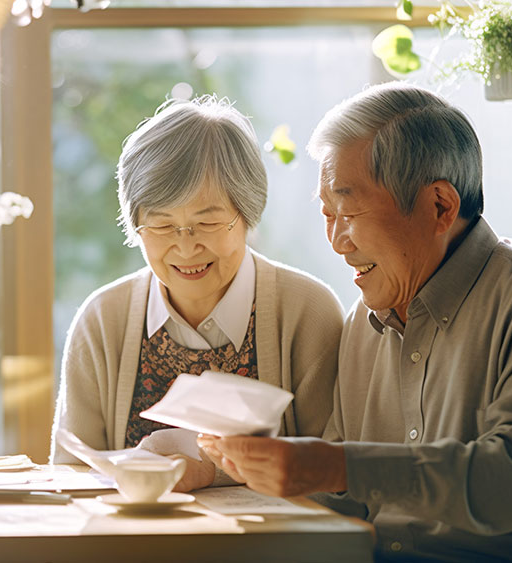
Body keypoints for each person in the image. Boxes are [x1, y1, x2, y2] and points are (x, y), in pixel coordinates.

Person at [199, 82, 512, 560]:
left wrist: (336, 467)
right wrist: (251, 466)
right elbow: (345, 498)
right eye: (327, 215)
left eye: (348, 212)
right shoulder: (365, 322)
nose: (336, 241)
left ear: (440, 206)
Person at [50, 95, 345, 492]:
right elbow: (71, 476)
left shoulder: (307, 312)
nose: (186, 248)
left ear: (248, 214)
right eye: (163, 225)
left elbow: (333, 483)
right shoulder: (103, 320)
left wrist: (208, 473)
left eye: (207, 223)